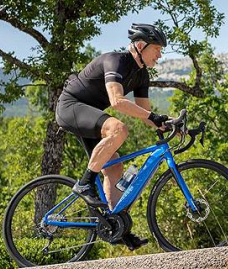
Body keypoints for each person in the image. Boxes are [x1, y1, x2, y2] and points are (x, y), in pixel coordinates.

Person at [55, 23, 169, 249]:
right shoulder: (115, 61)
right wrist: (154, 117)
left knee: (114, 167)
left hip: (91, 115)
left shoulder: (142, 75)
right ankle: (84, 183)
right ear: (140, 45)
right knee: (118, 129)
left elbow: (146, 114)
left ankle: (116, 227)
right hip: (72, 107)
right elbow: (117, 101)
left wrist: (168, 123)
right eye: (156, 49)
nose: (160, 54)